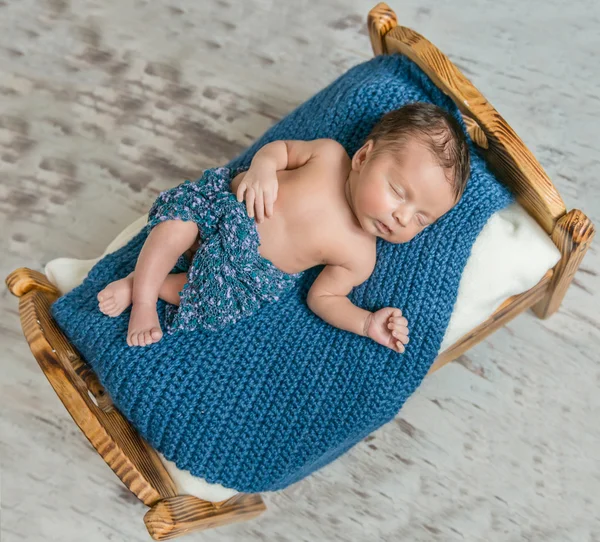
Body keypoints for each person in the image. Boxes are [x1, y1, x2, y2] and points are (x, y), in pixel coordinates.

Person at [97, 102, 470, 352]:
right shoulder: (328, 156)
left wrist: (367, 322)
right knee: (177, 225)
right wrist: (261, 169)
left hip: (244, 273)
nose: (403, 217)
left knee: (207, 298)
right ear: (363, 156)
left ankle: (141, 286)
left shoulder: (360, 256)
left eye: (422, 219)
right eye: (397, 191)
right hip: (229, 210)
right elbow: (281, 151)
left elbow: (324, 299)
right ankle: (144, 302)